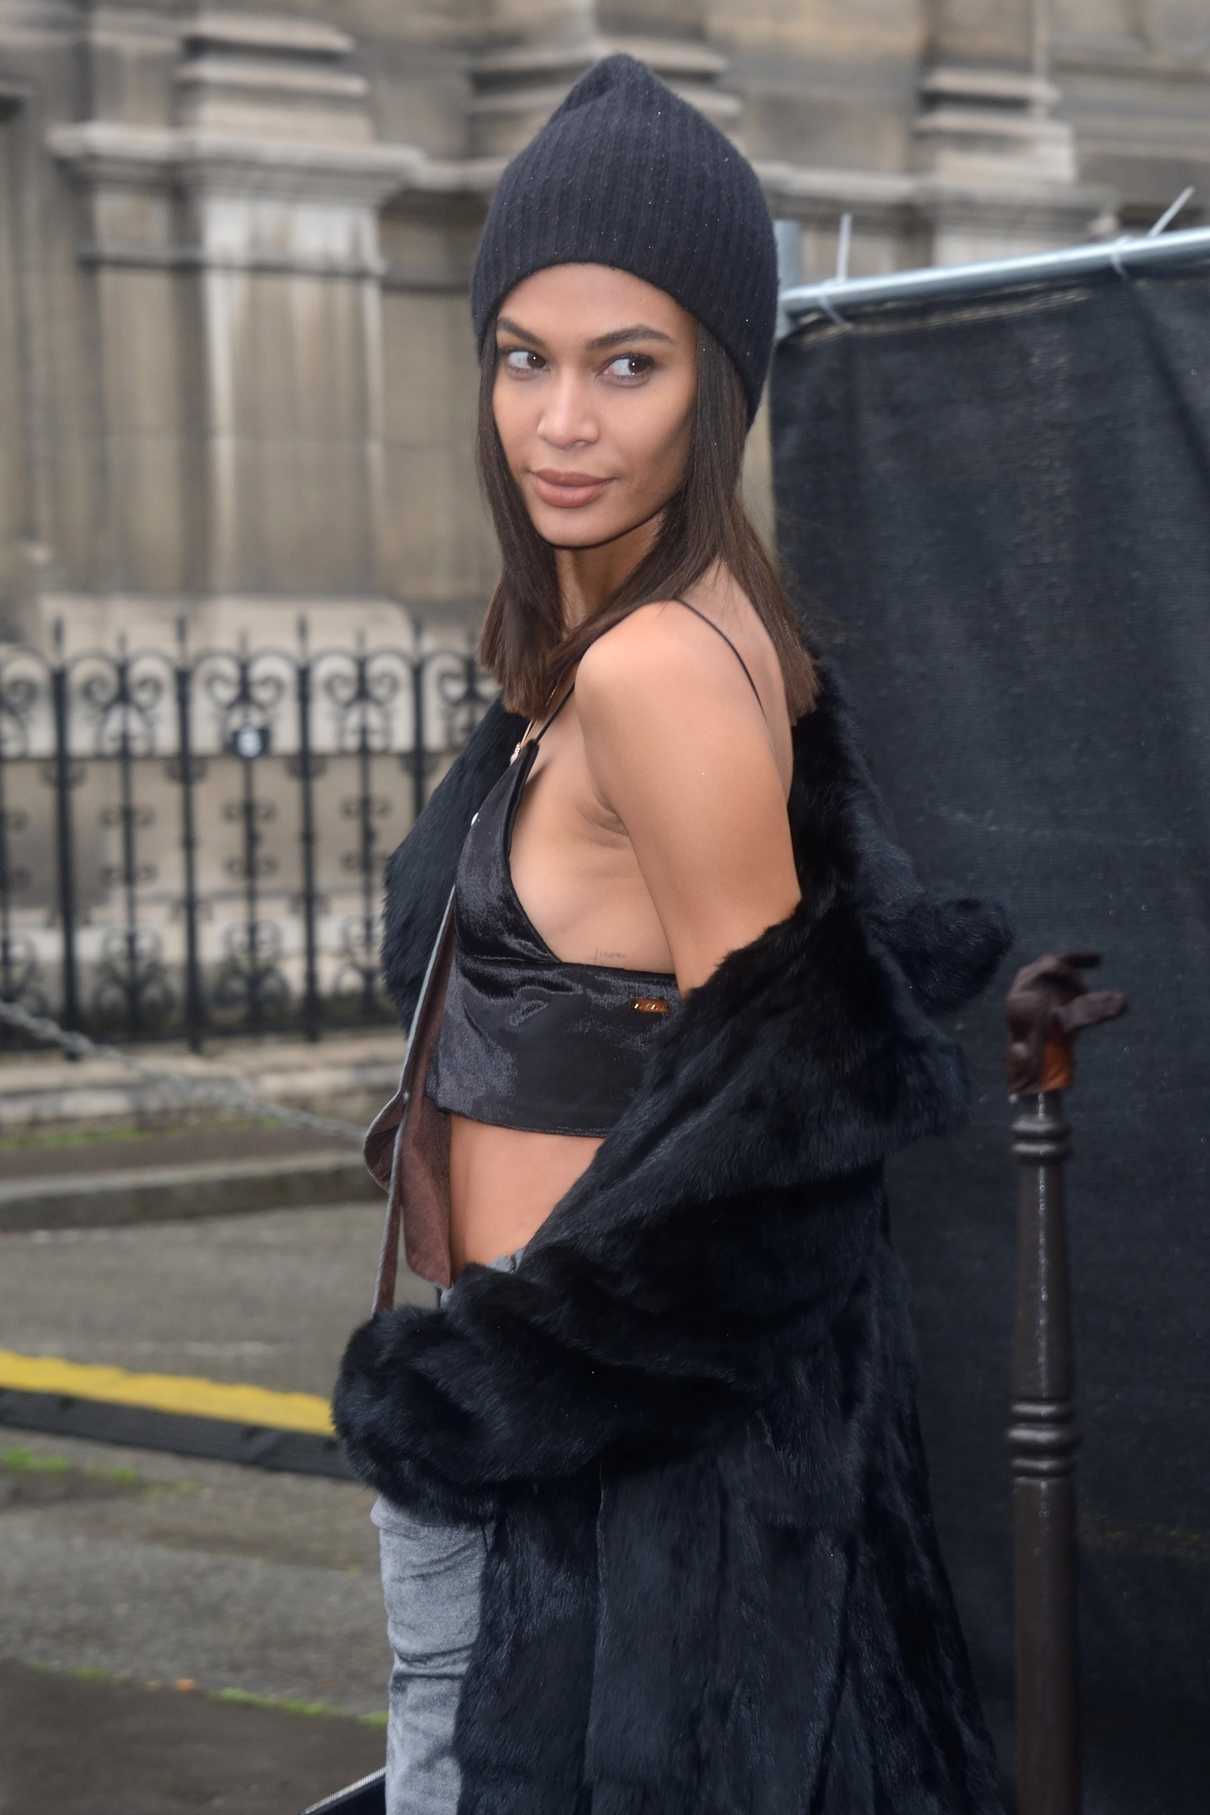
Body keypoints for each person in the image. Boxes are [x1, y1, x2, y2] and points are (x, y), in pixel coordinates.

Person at [334, 50, 1013, 1815]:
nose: (563, 422)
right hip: (569, 1452)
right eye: (523, 358)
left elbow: (789, 1125)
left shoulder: (652, 668)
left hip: (589, 1480)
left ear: (717, 382)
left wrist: (505, 1383)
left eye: (626, 366)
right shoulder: (633, 636)